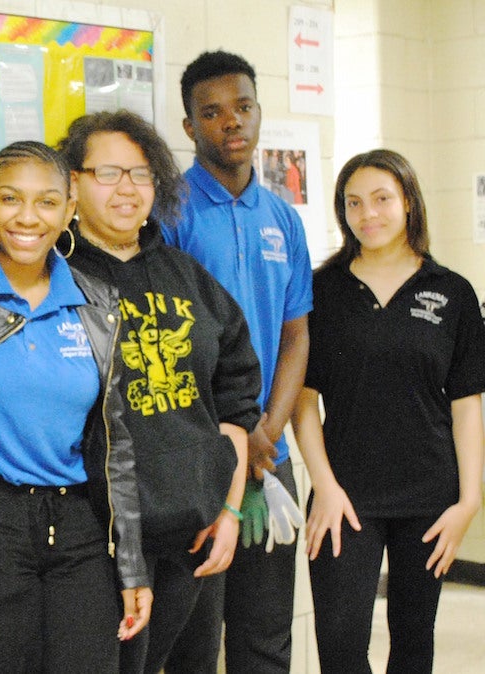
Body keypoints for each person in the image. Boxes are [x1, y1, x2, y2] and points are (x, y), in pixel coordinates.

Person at [56, 110, 261, 674]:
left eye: (142, 174)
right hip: (102, 537)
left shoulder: (186, 274)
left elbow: (236, 400)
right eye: (109, 172)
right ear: (72, 182)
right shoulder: (54, 276)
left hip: (195, 530)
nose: (128, 188)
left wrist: (228, 508)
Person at [0, 141, 150, 673]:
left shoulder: (97, 302)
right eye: (12, 199)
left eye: (47, 202)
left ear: (69, 209)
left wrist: (132, 567)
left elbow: (116, 445)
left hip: (79, 522)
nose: (28, 218)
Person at [293, 149, 485, 673]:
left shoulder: (452, 293)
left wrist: (468, 500)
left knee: (413, 643)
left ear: (408, 204)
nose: (367, 214)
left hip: (429, 495)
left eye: (381, 199)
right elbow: (303, 401)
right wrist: (324, 487)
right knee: (340, 645)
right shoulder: (320, 291)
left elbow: (467, 405)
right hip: (344, 495)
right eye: (353, 203)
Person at [162, 50, 312, 674]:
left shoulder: (282, 217)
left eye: (243, 107)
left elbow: (296, 334)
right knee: (190, 646)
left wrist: (269, 431)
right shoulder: (168, 213)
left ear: (258, 113)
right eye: (213, 112)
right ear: (190, 125)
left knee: (266, 638)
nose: (232, 122)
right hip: (198, 458)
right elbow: (166, 342)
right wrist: (237, 431)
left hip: (269, 462)